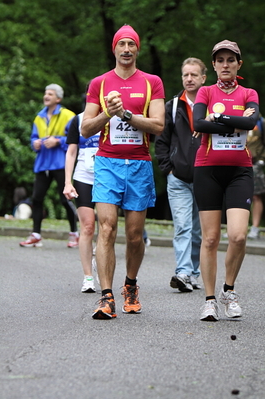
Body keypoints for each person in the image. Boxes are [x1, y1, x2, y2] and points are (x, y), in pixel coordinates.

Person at [81, 25, 165, 319]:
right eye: (122, 44)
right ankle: (106, 297)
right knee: (106, 228)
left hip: (140, 164)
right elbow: (85, 128)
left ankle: (130, 284)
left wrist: (128, 114)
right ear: (114, 49)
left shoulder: (151, 82)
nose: (126, 49)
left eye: (131, 44)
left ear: (137, 49)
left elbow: (158, 125)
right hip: (107, 163)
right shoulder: (100, 83)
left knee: (133, 235)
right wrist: (108, 112)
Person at [193, 40, 259, 321]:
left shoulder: (249, 92)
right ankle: (209, 300)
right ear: (214, 65)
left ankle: (228, 290)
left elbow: (252, 123)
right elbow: (198, 123)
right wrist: (235, 118)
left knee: (238, 236)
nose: (225, 65)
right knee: (210, 239)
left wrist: (217, 116)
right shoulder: (205, 91)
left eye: (230, 60)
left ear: (238, 64)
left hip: (240, 171)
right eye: (220, 60)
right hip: (207, 169)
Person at [155, 57, 207, 292]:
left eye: (194, 75)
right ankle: (183, 272)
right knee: (183, 226)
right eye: (185, 75)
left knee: (198, 230)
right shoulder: (173, 106)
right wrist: (169, 167)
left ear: (203, 78)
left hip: (206, 176)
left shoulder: (212, 104)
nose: (189, 79)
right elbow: (161, 140)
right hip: (178, 177)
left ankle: (194, 272)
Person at [19, 84, 77, 248]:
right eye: (45, 93)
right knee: (37, 199)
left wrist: (58, 140)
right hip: (43, 164)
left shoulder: (68, 115)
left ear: (58, 98)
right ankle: (36, 235)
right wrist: (34, 143)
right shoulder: (39, 117)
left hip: (60, 163)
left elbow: (76, 139)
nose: (46, 96)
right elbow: (33, 138)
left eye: (50, 94)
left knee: (65, 199)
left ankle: (75, 233)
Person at [63, 110, 100, 293]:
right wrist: (67, 182)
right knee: (87, 226)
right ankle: (88, 277)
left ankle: (101, 261)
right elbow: (71, 152)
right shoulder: (77, 119)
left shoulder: (113, 116)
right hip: (84, 177)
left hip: (108, 178)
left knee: (108, 227)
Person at [246, 116, 265, 239]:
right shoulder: (235, 115)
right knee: (238, 195)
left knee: (256, 195)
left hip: (256, 162)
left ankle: (255, 228)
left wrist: (262, 159)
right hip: (238, 161)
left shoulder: (260, 122)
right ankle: (238, 227)